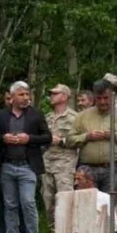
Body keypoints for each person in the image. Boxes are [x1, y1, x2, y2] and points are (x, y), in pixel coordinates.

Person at [70, 79, 117, 233]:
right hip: (88, 169)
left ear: (112, 96)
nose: (102, 102)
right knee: (87, 203)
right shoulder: (82, 116)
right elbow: (70, 140)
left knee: (110, 206)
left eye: (106, 98)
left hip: (115, 167)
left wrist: (114, 135)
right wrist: (87, 136)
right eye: (99, 98)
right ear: (94, 98)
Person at [0, 81, 52, 233]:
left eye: (27, 94)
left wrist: (29, 138)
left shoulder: (36, 115)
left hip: (28, 166)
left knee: (28, 202)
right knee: (10, 204)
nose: (26, 97)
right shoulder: (1, 116)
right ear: (11, 97)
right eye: (21, 94)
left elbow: (47, 137)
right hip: (7, 165)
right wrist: (3, 138)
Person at [43, 84, 79, 224]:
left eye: (55, 93)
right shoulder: (47, 117)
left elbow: (80, 139)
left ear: (64, 97)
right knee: (48, 199)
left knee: (65, 200)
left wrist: (62, 141)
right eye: (51, 94)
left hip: (65, 165)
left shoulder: (75, 117)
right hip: (47, 163)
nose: (51, 96)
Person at [74, 165, 117, 231]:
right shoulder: (73, 198)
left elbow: (114, 225)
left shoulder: (105, 198)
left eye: (79, 179)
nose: (75, 183)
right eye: (75, 179)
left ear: (90, 180)